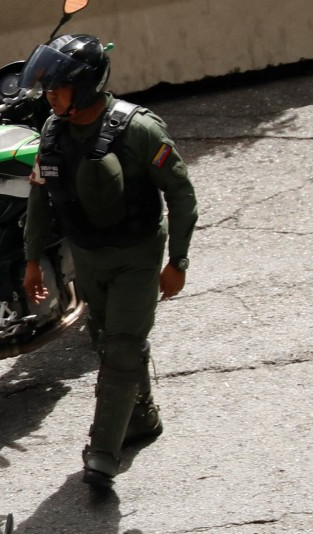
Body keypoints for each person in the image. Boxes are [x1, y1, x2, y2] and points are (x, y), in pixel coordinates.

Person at [18, 34, 198, 488]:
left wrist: (177, 261)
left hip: (137, 256)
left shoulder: (139, 129)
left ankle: (102, 453)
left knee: (121, 348)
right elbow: (40, 198)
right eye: (47, 87)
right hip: (88, 258)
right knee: (108, 339)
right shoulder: (53, 132)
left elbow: (181, 193)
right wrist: (32, 259)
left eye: (58, 86)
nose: (49, 95)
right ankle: (141, 417)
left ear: (85, 85)